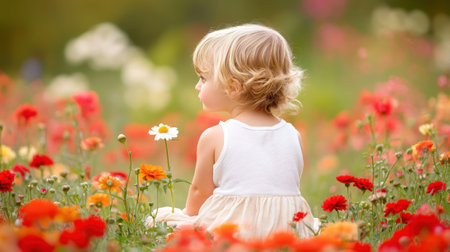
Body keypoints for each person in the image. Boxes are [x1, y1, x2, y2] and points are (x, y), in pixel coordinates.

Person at [146, 23, 319, 239]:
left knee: (159, 220)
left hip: (233, 232)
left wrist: (188, 219)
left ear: (234, 87)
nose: (197, 86)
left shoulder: (215, 136)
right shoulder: (293, 134)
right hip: (285, 232)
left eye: (203, 78)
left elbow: (200, 191)